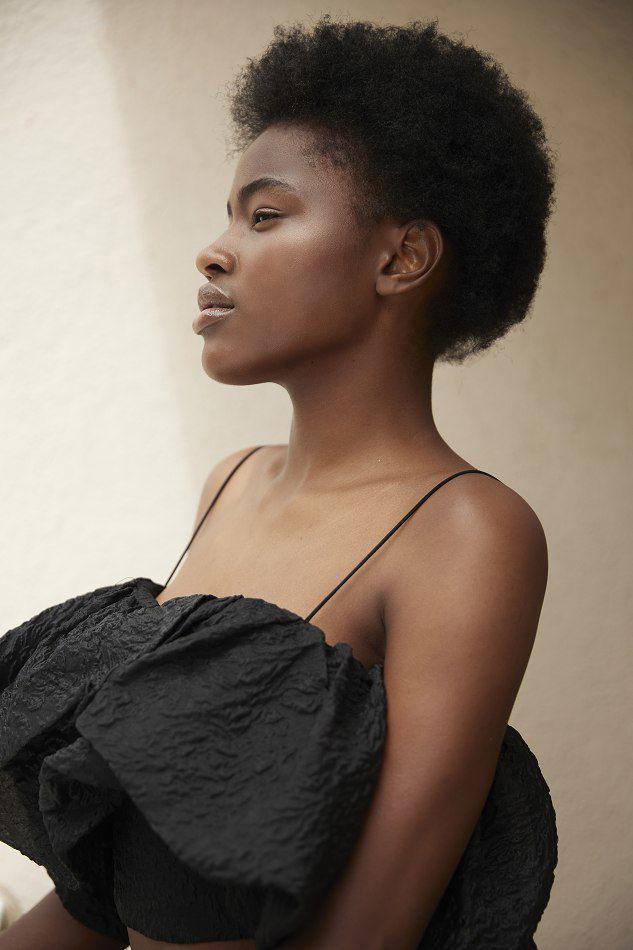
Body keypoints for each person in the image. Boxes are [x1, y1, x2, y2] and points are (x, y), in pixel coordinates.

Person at [0, 15, 558, 950]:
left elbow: (372, 926)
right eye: (227, 216)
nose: (214, 252)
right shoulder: (232, 483)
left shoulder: (467, 531)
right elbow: (118, 884)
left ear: (400, 259)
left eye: (264, 216)